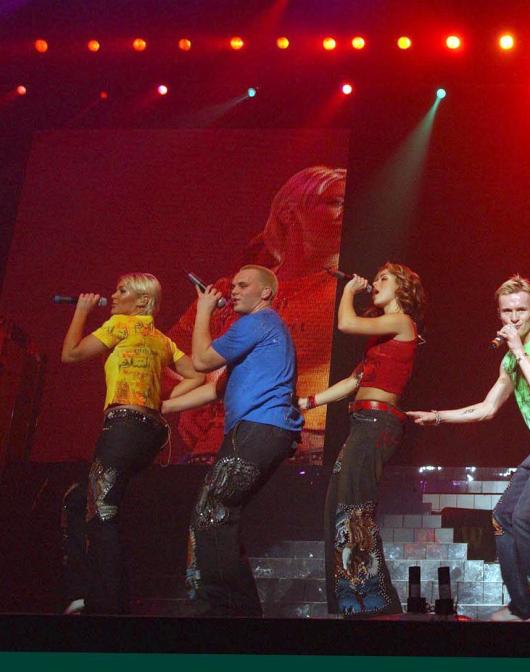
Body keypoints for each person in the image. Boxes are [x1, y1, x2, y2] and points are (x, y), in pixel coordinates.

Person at [409, 275, 530, 622]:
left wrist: (520, 352)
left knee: (527, 518)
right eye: (506, 311)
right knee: (502, 518)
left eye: (520, 310)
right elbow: (487, 408)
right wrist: (436, 417)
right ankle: (522, 606)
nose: (513, 319)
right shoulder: (510, 361)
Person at [168, 166, 347, 463]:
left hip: (308, 439)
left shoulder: (344, 291)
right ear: (290, 213)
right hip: (223, 438)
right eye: (336, 202)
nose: (346, 213)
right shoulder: (231, 290)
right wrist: (190, 400)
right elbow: (169, 356)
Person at [60, 273, 204, 614]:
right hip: (148, 431)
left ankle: (105, 602)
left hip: (124, 425)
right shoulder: (163, 340)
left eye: (121, 290)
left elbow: (71, 354)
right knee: (78, 499)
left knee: (103, 511)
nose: (113, 295)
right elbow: (196, 375)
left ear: (142, 301)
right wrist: (159, 401)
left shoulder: (120, 325)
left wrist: (81, 310)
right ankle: (83, 591)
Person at [165, 264, 302, 617]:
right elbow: (214, 388)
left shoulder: (258, 322)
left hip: (259, 428)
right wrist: (162, 406)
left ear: (266, 293)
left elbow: (201, 361)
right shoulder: (262, 331)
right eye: (235, 285)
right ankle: (239, 610)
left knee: (212, 512)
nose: (234, 290)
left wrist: (203, 311)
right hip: (262, 431)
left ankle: (226, 610)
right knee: (220, 514)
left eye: (243, 285)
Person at [298, 262, 425, 616]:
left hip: (378, 423)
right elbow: (353, 381)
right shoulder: (379, 342)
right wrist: (309, 402)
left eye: (385, 278)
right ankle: (351, 600)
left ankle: (373, 603)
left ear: (401, 288)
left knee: (355, 508)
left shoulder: (402, 322)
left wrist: (350, 290)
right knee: (337, 506)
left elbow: (345, 323)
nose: (377, 282)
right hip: (362, 422)